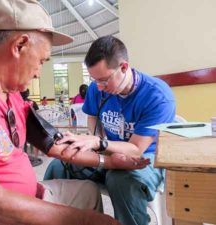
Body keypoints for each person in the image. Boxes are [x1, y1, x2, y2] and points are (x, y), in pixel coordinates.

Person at [0, 1, 136, 225]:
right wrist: (87, 221)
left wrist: (111, 162)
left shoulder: (11, 95)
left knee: (87, 192)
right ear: (20, 45)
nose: (39, 73)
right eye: (41, 61)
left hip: (29, 196)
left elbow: (55, 145)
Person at [44, 35, 176, 225]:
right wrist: (94, 139)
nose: (99, 87)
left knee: (121, 180)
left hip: (146, 159)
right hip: (108, 151)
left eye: (104, 80)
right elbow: (92, 115)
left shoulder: (158, 96)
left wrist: (99, 143)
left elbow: (136, 149)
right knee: (58, 166)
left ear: (124, 67)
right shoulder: (96, 88)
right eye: (94, 80)